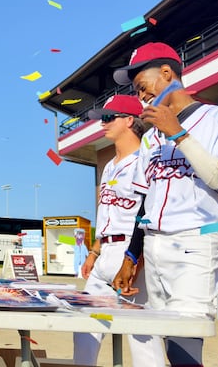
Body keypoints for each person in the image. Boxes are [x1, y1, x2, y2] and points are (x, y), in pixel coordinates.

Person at [112, 42, 218, 366]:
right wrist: (131, 256)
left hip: (196, 242)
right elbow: (145, 204)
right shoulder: (151, 138)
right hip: (154, 246)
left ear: (167, 74)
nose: (141, 96)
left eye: (143, 86)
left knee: (185, 345)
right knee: (163, 342)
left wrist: (179, 133)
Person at [73, 95, 164, 366]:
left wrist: (139, 258)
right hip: (106, 254)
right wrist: (94, 251)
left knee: (143, 337)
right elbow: (107, 215)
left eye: (108, 117)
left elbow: (149, 212)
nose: (102, 123)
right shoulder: (110, 165)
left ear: (129, 120)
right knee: (85, 329)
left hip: (132, 254)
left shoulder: (145, 160)